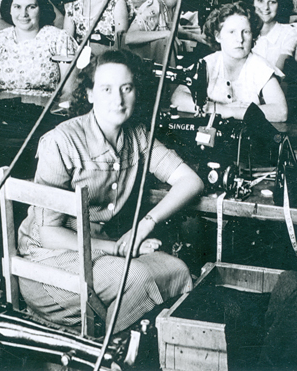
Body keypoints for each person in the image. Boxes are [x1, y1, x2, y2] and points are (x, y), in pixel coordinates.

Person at [17, 50, 203, 332]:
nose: (118, 100)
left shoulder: (138, 135)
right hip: (47, 263)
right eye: (106, 89)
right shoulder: (62, 141)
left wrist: (143, 228)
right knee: (137, 276)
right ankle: (103, 353)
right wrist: (119, 248)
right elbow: (49, 234)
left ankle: (116, 349)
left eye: (126, 88)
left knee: (176, 270)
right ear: (90, 94)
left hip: (95, 254)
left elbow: (191, 181)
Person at [171, 3, 288, 122]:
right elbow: (178, 98)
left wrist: (230, 112)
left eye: (246, 32)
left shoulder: (260, 67)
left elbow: (280, 112)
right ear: (218, 36)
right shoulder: (208, 63)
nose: (240, 39)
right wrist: (221, 109)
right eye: (232, 32)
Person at [0, 0, 76, 96]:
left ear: (41, 8)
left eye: (31, 7)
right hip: (1, 111)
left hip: (43, 111)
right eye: (17, 7)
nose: (24, 14)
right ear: (10, 10)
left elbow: (69, 92)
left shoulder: (59, 39)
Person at [125, 0, 200, 62]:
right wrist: (166, 34)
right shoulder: (155, 4)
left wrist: (195, 36)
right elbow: (130, 37)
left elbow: (174, 29)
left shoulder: (174, 7)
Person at [246, 0, 297, 72]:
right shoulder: (246, 30)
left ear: (280, 4)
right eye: (260, 1)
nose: (266, 7)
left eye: (272, 2)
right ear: (252, 2)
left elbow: (279, 70)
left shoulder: (288, 32)